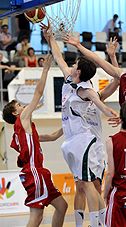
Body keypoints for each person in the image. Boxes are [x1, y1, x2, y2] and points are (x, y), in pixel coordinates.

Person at [64, 34, 126, 227]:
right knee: (120, 170)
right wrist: (78, 45)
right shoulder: (123, 76)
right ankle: (123, 208)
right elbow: (98, 61)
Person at [41, 22, 119, 227]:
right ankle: (81, 223)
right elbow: (58, 56)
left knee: (90, 184)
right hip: (74, 139)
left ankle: (99, 224)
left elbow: (99, 99)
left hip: (89, 143)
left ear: (79, 71)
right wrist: (50, 37)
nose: (72, 65)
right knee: (81, 185)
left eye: (75, 64)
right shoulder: (70, 79)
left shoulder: (86, 89)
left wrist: (109, 110)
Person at [2, 54, 68, 227]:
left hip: (38, 173)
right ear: (16, 113)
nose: (24, 107)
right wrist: (45, 69)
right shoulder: (22, 120)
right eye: (20, 106)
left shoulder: (27, 132)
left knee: (62, 206)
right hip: (34, 173)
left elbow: (52, 136)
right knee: (37, 216)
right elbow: (38, 93)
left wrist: (70, 124)